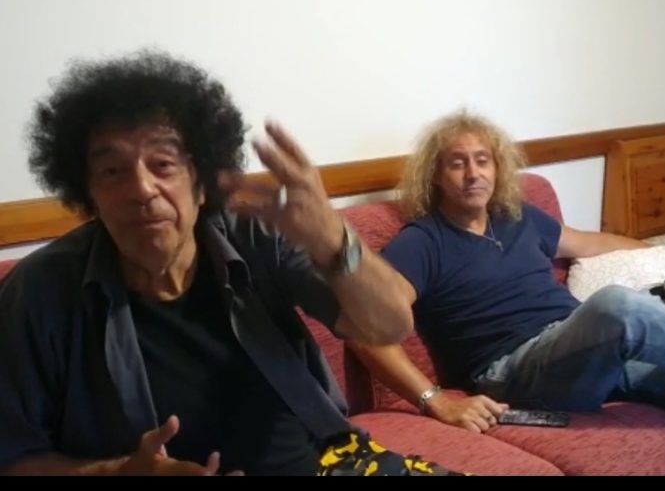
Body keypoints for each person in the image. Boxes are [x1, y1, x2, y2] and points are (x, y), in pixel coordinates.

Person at [0, 50, 457, 476]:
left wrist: (334, 240)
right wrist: (119, 473)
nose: (141, 189)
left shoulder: (256, 237)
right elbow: (14, 457)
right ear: (89, 194)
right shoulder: (40, 291)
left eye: (163, 165)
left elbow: (389, 325)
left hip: (331, 464)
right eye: (112, 171)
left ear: (201, 182)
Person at [350, 110, 665, 476]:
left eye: (483, 160)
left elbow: (591, 243)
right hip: (514, 371)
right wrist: (436, 400)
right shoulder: (422, 242)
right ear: (436, 176)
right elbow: (364, 329)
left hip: (587, 352)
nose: (473, 173)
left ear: (498, 168)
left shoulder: (516, 217)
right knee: (616, 304)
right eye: (457, 163)